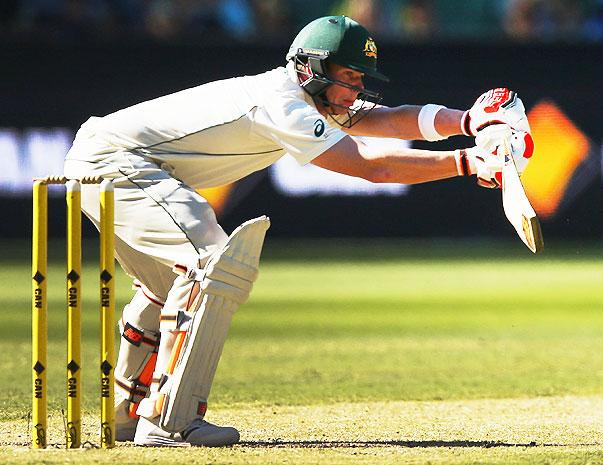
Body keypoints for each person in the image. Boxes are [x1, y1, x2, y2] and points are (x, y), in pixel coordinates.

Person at [63, 15, 532, 447]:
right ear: (312, 69)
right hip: (119, 163)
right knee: (211, 263)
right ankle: (169, 420)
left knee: (166, 287)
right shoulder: (283, 102)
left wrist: (470, 122)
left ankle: (125, 413)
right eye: (349, 77)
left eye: (360, 78)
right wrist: (468, 162)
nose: (357, 89)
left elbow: (387, 119)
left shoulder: (311, 95)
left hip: (108, 157)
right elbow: (370, 166)